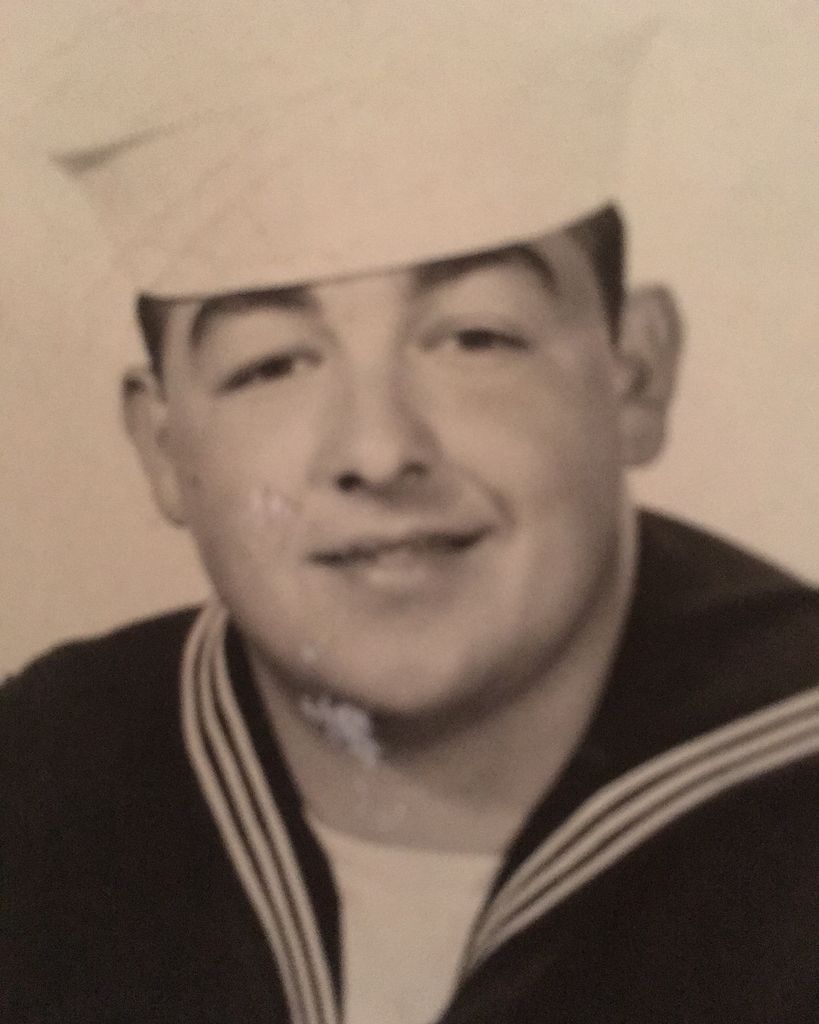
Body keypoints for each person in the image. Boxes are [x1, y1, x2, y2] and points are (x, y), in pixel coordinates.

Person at [2, 4, 817, 1023]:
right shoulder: (44, 789)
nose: (380, 451)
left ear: (634, 373)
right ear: (164, 449)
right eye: (271, 364)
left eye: (475, 338)